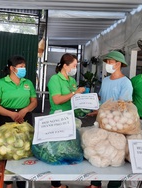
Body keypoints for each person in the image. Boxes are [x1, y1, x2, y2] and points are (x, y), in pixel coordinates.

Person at [86, 51, 132, 188]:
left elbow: (124, 106)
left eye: (110, 62)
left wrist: (103, 111)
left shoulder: (126, 83)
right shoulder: (105, 81)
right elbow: (102, 100)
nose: (107, 64)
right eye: (107, 62)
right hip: (101, 123)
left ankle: (114, 185)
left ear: (118, 64)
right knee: (97, 151)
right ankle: (95, 183)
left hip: (117, 125)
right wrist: (93, 107)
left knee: (117, 155)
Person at [0, 55, 37, 188]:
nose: (24, 69)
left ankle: (23, 182)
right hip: (6, 118)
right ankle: (8, 182)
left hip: (25, 118)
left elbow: (34, 101)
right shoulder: (1, 83)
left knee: (24, 149)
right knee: (7, 150)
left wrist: (25, 110)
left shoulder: (28, 83)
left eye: (24, 66)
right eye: (21, 66)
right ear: (12, 68)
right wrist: (11, 114)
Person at [47, 53, 85, 188]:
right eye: (74, 65)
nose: (75, 68)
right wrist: (75, 93)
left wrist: (86, 107)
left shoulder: (72, 81)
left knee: (67, 150)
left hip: (70, 119)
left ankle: (60, 180)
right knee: (57, 152)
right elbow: (57, 100)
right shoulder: (54, 80)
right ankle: (56, 184)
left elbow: (73, 101)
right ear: (65, 65)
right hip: (58, 119)